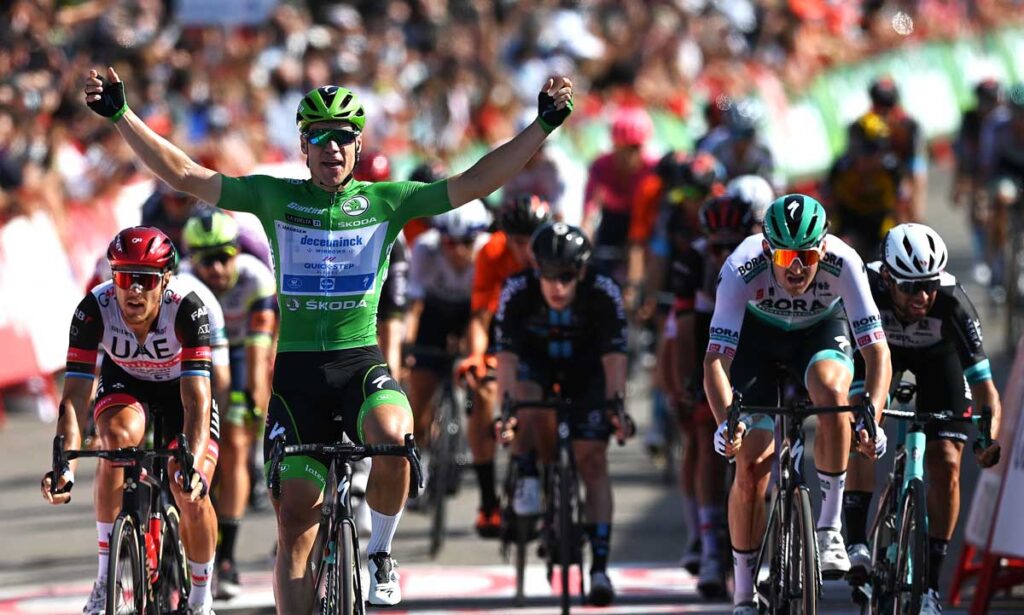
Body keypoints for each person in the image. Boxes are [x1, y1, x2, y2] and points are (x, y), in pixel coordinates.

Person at [84, 66, 573, 611]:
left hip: (359, 363)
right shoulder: (274, 197)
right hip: (298, 380)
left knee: (394, 436)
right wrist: (121, 116)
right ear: (303, 146)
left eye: (343, 136)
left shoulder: (388, 201)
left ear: (358, 145)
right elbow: (186, 174)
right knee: (296, 524)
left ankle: (380, 552)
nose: (332, 147)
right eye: (319, 136)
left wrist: (542, 126)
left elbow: (477, 182)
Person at [702, 195, 891, 614]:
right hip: (757, 339)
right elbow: (716, 359)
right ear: (767, 249)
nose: (797, 268)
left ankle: (829, 529)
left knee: (833, 395)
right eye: (786, 256)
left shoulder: (845, 262)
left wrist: (873, 417)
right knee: (751, 467)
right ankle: (744, 593)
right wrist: (724, 423)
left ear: (823, 249)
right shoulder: (740, 266)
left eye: (807, 256)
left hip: (818, 332)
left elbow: (877, 352)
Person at [41, 227, 221, 615]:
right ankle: (105, 579)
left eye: (145, 279)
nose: (134, 290)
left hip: (181, 392)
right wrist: (64, 467)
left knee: (189, 488)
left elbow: (196, 401)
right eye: (124, 278)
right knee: (115, 443)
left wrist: (191, 467)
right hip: (127, 383)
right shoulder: (94, 309)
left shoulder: (188, 309)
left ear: (165, 280)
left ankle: (201, 599)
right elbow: (74, 397)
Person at [843, 223, 1003, 614]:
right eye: (911, 287)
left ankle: (930, 585)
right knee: (861, 427)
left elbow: (986, 389)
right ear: (887, 278)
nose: (923, 297)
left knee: (946, 462)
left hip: (939, 360)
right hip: (881, 355)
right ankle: (857, 542)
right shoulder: (866, 288)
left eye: (929, 285)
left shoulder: (952, 301)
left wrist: (987, 439)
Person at [494, 221, 635, 607]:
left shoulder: (604, 291)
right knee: (526, 400)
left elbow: (615, 358)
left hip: (587, 371)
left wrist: (616, 408)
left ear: (582, 272)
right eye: (548, 275)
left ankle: (599, 569)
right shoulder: (516, 290)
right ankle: (528, 470)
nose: (557, 286)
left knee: (593, 461)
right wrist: (504, 414)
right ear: (535, 269)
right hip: (536, 366)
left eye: (566, 277)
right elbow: (506, 358)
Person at [665, 194, 764, 597]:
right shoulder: (692, 261)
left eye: (731, 244)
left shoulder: (759, 256)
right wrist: (686, 386)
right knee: (706, 440)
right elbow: (684, 330)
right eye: (716, 246)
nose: (724, 254)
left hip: (756, 339)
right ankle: (707, 546)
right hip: (709, 341)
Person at [182, 208, 278, 598]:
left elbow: (258, 355)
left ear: (237, 252)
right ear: (192, 259)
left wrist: (254, 404)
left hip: (241, 353)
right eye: (207, 260)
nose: (217, 269)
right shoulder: (184, 283)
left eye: (224, 257)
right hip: (197, 355)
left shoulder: (257, 278)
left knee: (236, 442)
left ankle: (226, 557)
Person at [458, 193, 552, 537]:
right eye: (517, 242)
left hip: (549, 332)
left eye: (530, 241)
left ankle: (551, 487)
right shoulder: (492, 252)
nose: (525, 251)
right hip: (506, 333)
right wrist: (476, 356)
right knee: (483, 393)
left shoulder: (554, 249)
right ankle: (488, 501)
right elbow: (481, 316)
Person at [403, 201, 491, 491]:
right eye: (450, 243)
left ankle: (473, 432)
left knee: (481, 376)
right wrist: (407, 347)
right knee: (420, 391)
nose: (458, 251)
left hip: (473, 313)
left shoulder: (487, 251)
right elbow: (414, 307)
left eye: (466, 242)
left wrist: (473, 348)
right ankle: (422, 452)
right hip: (433, 313)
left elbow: (484, 314)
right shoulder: (424, 248)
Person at [581, 107, 657, 281]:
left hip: (644, 223)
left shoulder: (652, 169)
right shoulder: (601, 166)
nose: (629, 156)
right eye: (623, 148)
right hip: (611, 222)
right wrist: (582, 250)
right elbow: (590, 212)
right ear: (614, 145)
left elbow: (646, 223)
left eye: (635, 148)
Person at [822, 112, 904, 258]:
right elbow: (828, 205)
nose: (872, 158)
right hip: (850, 224)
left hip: (881, 223)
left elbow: (901, 205)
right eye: (867, 151)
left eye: (878, 151)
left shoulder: (891, 169)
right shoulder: (841, 169)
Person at [848, 76, 927, 222]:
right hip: (876, 173)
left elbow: (915, 155)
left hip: (903, 168)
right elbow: (858, 159)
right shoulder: (861, 125)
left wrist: (906, 182)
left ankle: (917, 216)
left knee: (916, 172)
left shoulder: (909, 124)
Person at [953, 79, 1003, 285]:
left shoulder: (1006, 118)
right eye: (985, 101)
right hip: (980, 174)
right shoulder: (970, 120)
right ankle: (983, 257)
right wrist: (959, 184)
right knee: (979, 213)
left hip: (1004, 171)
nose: (988, 106)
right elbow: (963, 156)